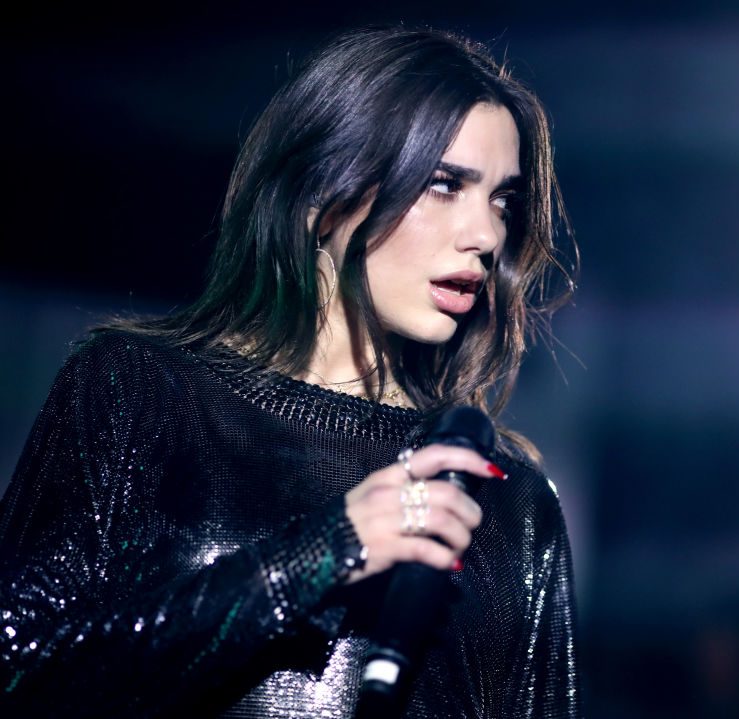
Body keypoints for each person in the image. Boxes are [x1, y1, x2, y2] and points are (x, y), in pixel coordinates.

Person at [0, 26, 580, 718]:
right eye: (444, 184)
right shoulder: (139, 391)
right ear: (326, 191)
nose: (485, 236)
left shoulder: (510, 504)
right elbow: (20, 670)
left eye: (502, 201)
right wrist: (318, 557)